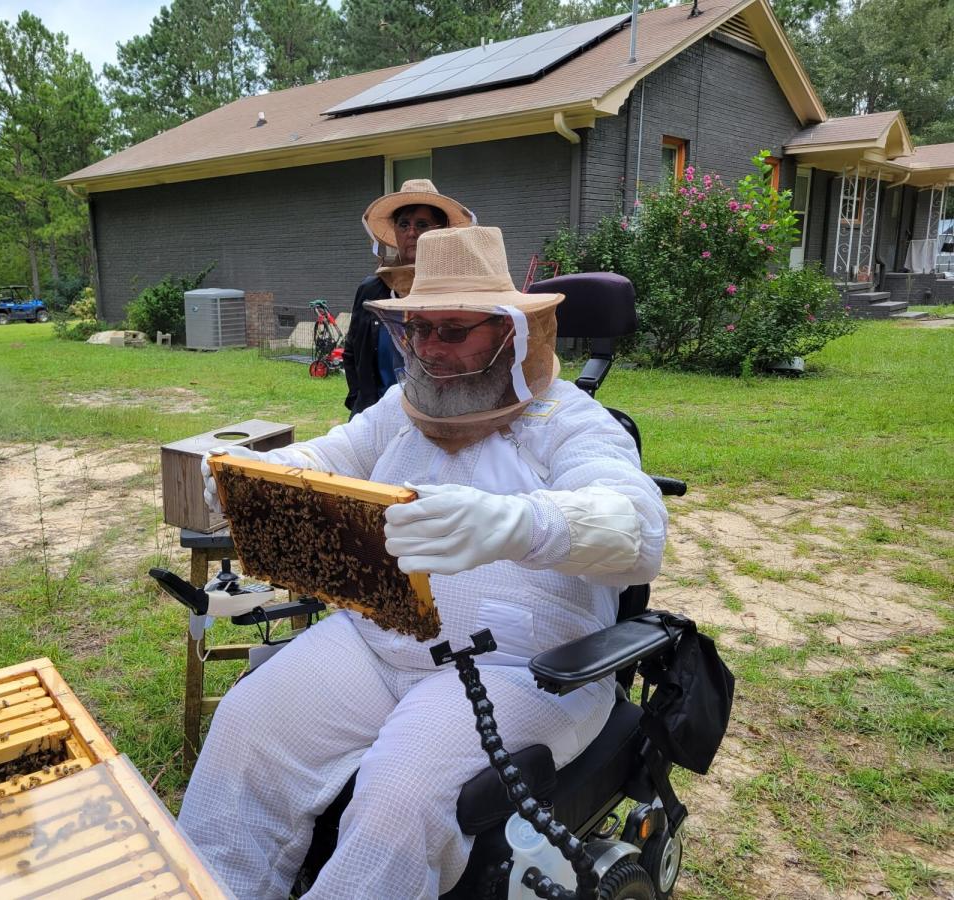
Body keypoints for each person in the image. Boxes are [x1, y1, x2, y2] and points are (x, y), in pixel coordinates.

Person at [185, 226, 668, 898]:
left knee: (400, 796)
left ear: (508, 332)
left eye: (453, 331)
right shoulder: (403, 408)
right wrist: (263, 473)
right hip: (380, 640)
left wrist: (515, 522)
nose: (430, 350)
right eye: (417, 331)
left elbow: (637, 526)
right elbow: (334, 456)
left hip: (520, 669)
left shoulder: (570, 421)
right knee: (248, 725)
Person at [343, 179, 474, 417]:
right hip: (374, 417)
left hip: (435, 417)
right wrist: (358, 401)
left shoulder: (454, 289)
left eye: (422, 225)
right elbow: (352, 351)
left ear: (442, 230)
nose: (411, 233)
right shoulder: (371, 290)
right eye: (404, 225)